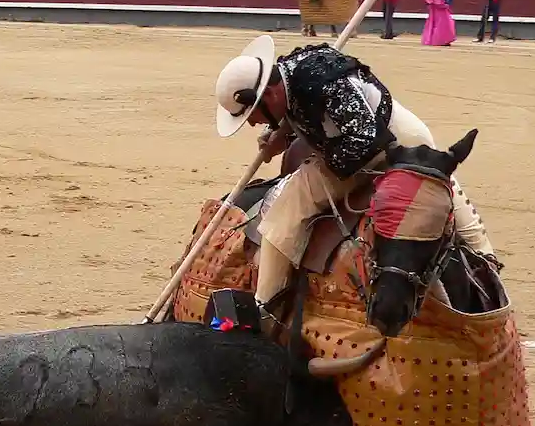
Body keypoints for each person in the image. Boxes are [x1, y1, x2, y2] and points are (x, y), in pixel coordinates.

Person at [211, 35, 497, 327]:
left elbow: (362, 141)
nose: (252, 122)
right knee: (437, 179)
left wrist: (314, 155)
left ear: (269, 95)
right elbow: (310, 111)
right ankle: (486, 257)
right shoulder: (287, 74)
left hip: (387, 144)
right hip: (386, 140)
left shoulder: (321, 84)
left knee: (287, 209)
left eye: (252, 113)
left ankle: (265, 310)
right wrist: (284, 135)